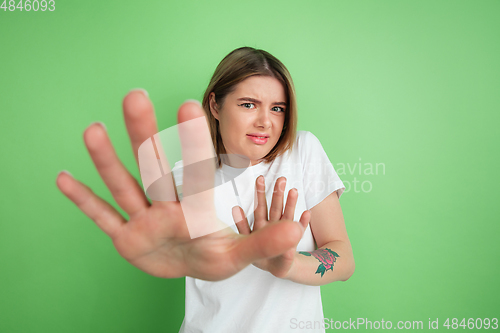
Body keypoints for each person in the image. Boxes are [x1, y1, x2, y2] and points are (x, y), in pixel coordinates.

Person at [56, 46, 354, 333]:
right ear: (215, 105)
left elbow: (343, 258)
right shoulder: (187, 178)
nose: (265, 122)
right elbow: (181, 250)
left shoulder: (302, 151)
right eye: (248, 104)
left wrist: (289, 266)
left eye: (277, 108)